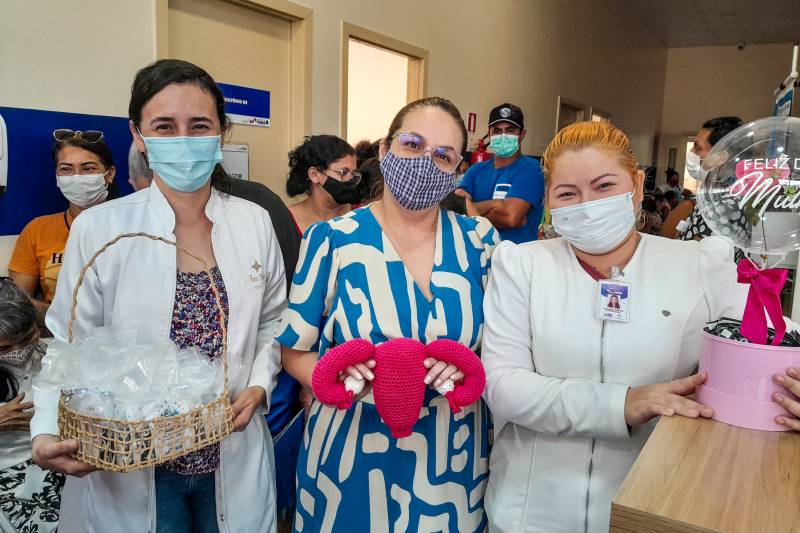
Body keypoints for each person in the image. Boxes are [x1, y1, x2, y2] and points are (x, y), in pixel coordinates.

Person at [30, 59, 286, 533]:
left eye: (200, 126)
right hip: (135, 463)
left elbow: (274, 319)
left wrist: (260, 383)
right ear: (139, 134)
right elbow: (67, 344)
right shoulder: (101, 228)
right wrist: (45, 429)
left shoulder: (253, 222)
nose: (183, 140)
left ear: (222, 133)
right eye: (164, 126)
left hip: (229, 448)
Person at [481, 121, 756, 532]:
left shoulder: (700, 266)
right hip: (531, 509)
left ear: (638, 185)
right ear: (550, 201)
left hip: (656, 505)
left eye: (604, 185)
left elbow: (772, 345)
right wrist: (622, 404)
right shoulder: (523, 266)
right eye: (568, 193)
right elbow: (504, 386)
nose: (587, 203)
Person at [278, 96, 498, 532]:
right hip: (348, 455)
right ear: (384, 149)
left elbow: (505, 346)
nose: (425, 162)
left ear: (457, 171)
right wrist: (336, 378)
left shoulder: (479, 241)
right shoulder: (332, 239)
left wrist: (471, 369)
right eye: (413, 145)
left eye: (443, 156)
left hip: (451, 456)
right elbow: (293, 350)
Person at [8, 132, 116, 320]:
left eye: (88, 169)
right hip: (57, 338)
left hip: (122, 338)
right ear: (57, 176)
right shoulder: (38, 230)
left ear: (109, 175)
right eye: (66, 169)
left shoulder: (132, 226)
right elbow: (17, 303)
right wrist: (63, 319)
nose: (77, 177)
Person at [0, 278, 65, 532]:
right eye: (5, 347)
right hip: (8, 477)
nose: (19, 351)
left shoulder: (51, 356)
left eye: (27, 338)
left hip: (56, 464)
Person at [458, 103, 545, 243]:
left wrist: (471, 209)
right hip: (479, 256)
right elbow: (456, 208)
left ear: (522, 134)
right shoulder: (476, 170)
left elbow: (510, 217)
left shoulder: (532, 169)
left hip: (516, 259)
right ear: (490, 133)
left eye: (510, 130)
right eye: (497, 131)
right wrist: (499, 204)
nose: (503, 136)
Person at [681, 116, 744, 241]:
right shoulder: (711, 197)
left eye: (698, 148)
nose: (692, 152)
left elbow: (699, 256)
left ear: (720, 157)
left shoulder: (725, 206)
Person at [285, 135, 359, 235]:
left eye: (353, 173)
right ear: (314, 175)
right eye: (343, 172)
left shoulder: (359, 215)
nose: (350, 179)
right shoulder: (287, 219)